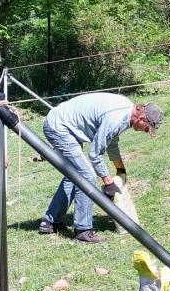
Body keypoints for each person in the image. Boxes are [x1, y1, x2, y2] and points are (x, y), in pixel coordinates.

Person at [38, 93, 163, 243]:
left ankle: (50, 222)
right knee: (87, 176)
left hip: (64, 124)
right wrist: (108, 182)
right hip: (59, 127)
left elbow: (111, 142)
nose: (145, 131)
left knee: (74, 175)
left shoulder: (126, 112)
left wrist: (120, 170)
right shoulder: (116, 118)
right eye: (147, 128)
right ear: (141, 118)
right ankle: (83, 230)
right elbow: (95, 154)